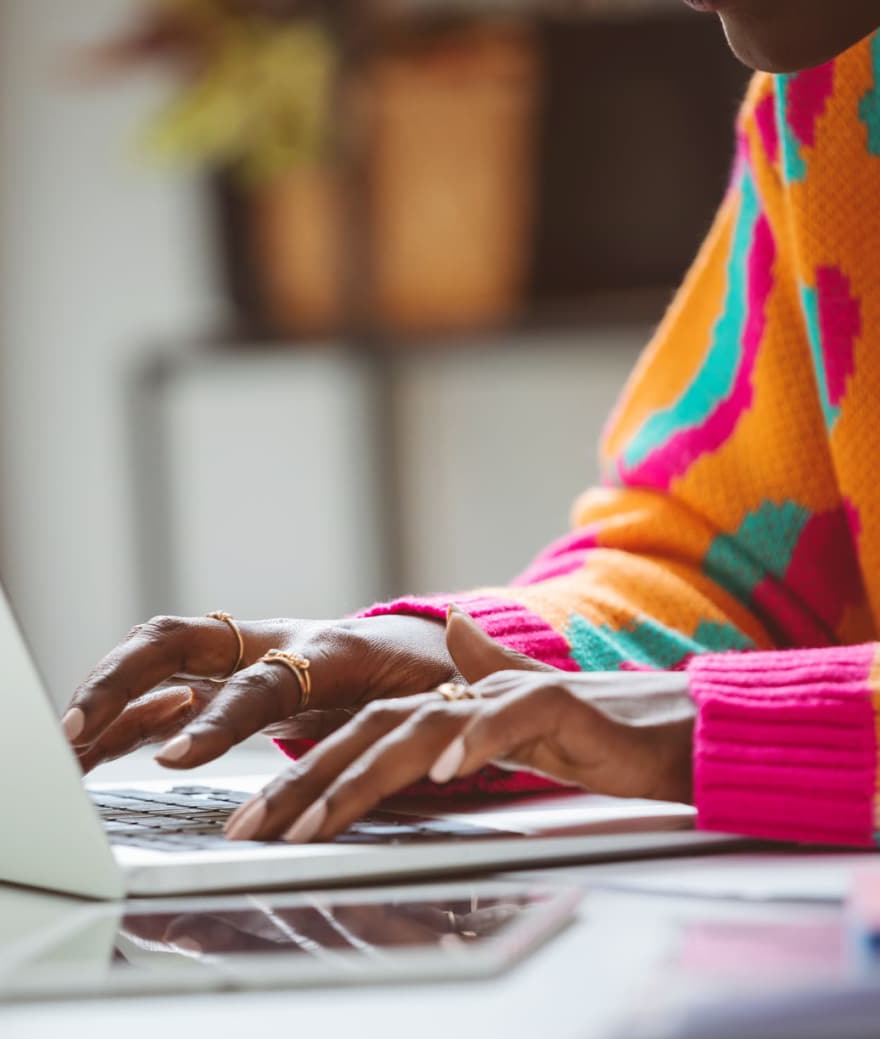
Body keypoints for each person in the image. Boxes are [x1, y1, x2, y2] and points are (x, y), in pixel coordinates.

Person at [63, 0, 880, 850]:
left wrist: (725, 730)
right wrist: (451, 658)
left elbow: (724, 686)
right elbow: (738, 567)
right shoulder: (830, 96)